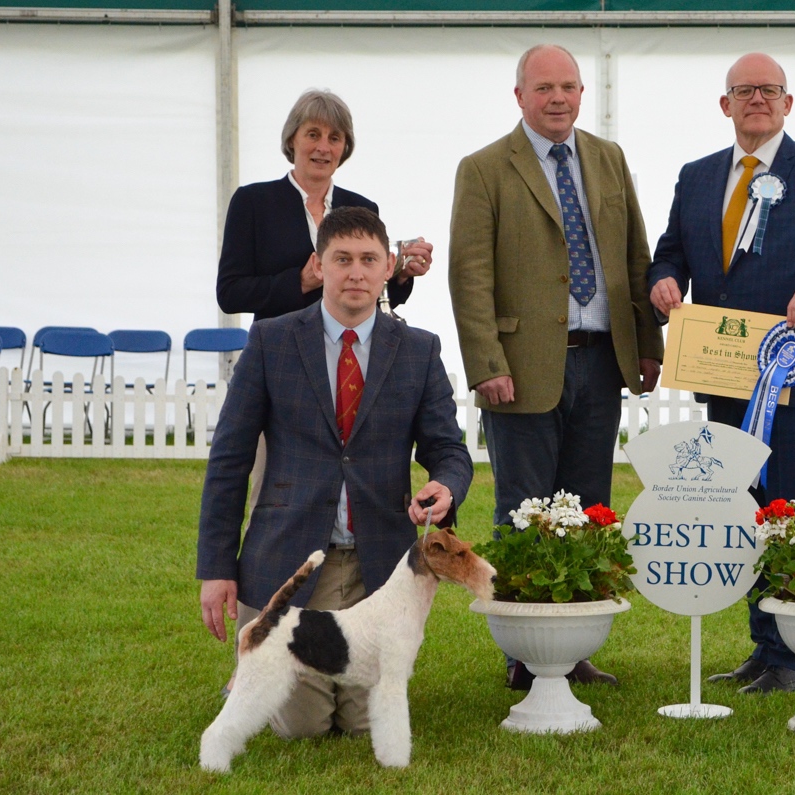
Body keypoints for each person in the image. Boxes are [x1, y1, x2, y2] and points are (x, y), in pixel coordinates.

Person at [647, 53, 795, 694]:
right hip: (723, 373)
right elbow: (671, 249)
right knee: (743, 513)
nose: (757, 99)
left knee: (793, 512)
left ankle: (794, 656)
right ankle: (765, 645)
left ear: (788, 103)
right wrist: (663, 279)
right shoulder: (696, 177)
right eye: (743, 91)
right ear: (724, 106)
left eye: (769, 90)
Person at [197, 206, 473, 739]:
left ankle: (275, 676)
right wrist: (216, 568)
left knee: (363, 724)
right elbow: (229, 459)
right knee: (305, 728)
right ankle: (251, 671)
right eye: (341, 259)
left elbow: (449, 450)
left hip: (381, 566)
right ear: (319, 266)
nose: (356, 272)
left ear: (388, 266)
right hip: (290, 558)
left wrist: (445, 485)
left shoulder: (419, 350)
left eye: (369, 259)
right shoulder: (271, 342)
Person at [448, 44, 664, 689]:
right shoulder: (484, 168)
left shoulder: (608, 158)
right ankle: (524, 652)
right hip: (518, 369)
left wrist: (646, 344)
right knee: (524, 511)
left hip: (602, 364)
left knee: (589, 508)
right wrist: (486, 361)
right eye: (544, 87)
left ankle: (570, 646)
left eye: (569, 86)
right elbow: (469, 273)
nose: (559, 98)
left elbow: (635, 256)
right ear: (519, 96)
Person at [216, 88, 432, 323]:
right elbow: (230, 294)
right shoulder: (252, 202)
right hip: (279, 351)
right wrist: (300, 282)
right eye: (313, 134)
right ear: (291, 139)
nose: (323, 147)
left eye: (334, 138)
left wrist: (401, 275)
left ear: (344, 148)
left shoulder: (362, 208)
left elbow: (374, 296)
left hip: (349, 350)